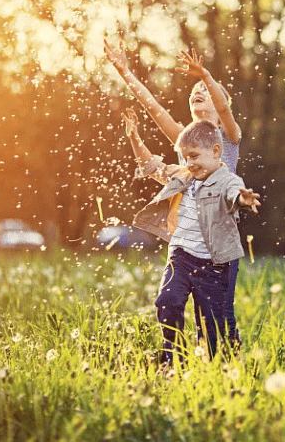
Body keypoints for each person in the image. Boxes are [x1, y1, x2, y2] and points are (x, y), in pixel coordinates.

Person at [103, 40, 244, 347]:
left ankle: (227, 363)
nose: (199, 91)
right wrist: (125, 71)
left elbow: (223, 106)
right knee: (174, 300)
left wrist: (206, 75)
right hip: (187, 240)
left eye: (206, 91)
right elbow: (153, 107)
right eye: (196, 89)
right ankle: (181, 357)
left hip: (219, 245)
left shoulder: (229, 137)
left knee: (220, 317)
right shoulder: (184, 140)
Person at [121, 108, 260, 364]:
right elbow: (151, 166)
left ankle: (223, 363)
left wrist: (243, 198)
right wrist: (134, 137)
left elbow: (233, 192)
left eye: (194, 156)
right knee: (167, 300)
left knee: (212, 330)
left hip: (215, 266)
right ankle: (172, 357)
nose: (190, 163)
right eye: (185, 157)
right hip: (181, 257)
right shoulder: (184, 176)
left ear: (216, 151)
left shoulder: (227, 179)